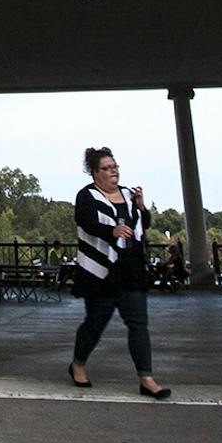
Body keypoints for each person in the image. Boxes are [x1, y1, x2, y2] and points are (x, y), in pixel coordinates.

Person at [66, 146, 171, 398]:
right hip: (101, 271)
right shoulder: (87, 196)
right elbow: (85, 222)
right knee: (95, 322)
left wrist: (142, 207)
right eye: (107, 168)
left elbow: (143, 225)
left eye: (115, 167)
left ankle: (146, 378)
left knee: (138, 323)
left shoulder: (127, 195)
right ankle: (78, 364)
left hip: (130, 269)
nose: (113, 172)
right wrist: (110, 231)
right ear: (95, 172)